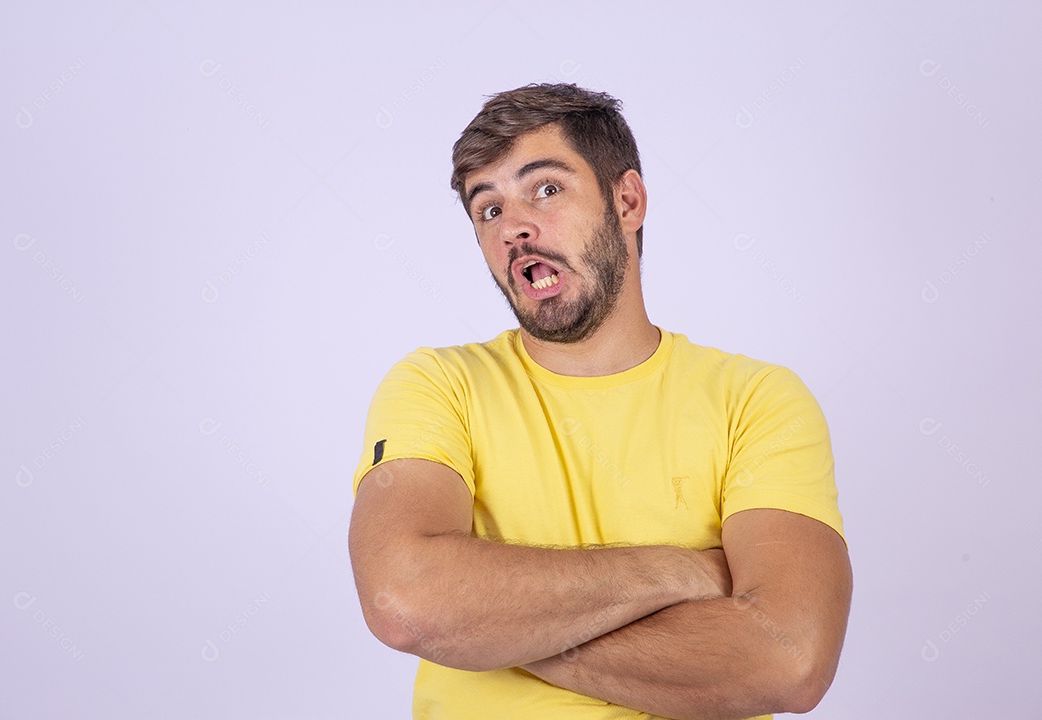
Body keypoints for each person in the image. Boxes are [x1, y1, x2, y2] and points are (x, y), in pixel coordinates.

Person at [348, 83, 851, 720]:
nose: (515, 227)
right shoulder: (437, 385)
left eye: (546, 189)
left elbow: (790, 661)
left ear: (627, 201)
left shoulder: (757, 400)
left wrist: (493, 630)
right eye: (488, 209)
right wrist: (682, 574)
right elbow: (404, 599)